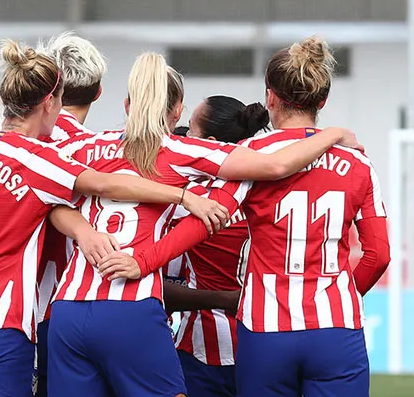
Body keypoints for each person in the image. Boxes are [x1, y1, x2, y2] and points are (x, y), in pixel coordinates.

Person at [0, 40, 231, 397]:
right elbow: (109, 184)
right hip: (1, 324)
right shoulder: (42, 158)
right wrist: (183, 195)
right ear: (49, 103)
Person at [48, 52, 362, 397]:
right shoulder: (185, 151)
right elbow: (275, 166)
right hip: (132, 307)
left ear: (126, 104)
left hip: (68, 308)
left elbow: (49, 203)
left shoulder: (83, 146)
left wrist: (83, 230)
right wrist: (331, 133)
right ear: (178, 110)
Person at [170, 96, 270, 397]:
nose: (184, 134)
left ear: (210, 144)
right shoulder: (268, 195)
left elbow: (157, 287)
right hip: (265, 343)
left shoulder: (193, 200)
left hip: (203, 348)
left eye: (192, 132)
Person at [35, 31, 108, 397]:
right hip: (79, 305)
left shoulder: (20, 143)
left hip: (17, 309)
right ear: (98, 92)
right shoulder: (101, 151)